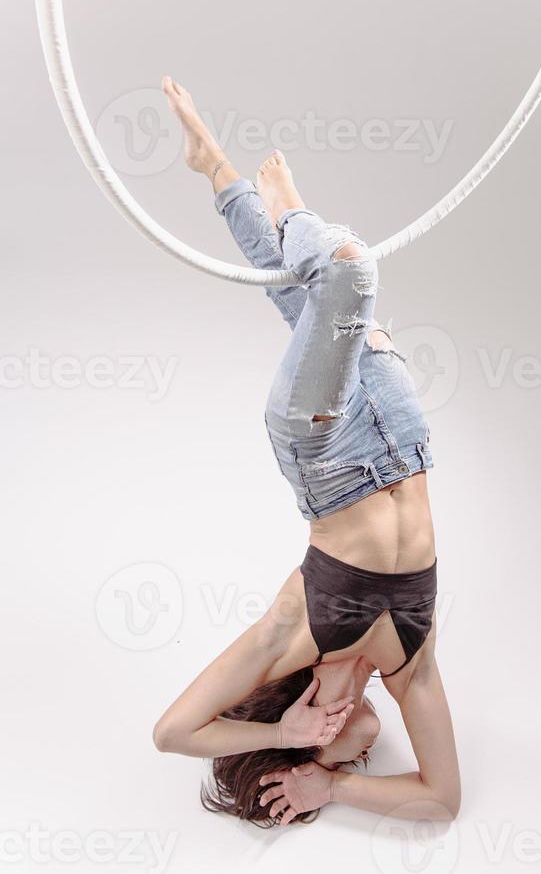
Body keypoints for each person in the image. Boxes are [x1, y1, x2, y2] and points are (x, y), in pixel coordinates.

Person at [152, 78, 461, 828]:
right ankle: (217, 172)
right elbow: (439, 801)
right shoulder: (408, 665)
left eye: (333, 747)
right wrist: (334, 788)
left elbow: (172, 733)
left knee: (346, 272)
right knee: (303, 298)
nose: (355, 740)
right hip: (399, 433)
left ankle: (288, 205)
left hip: (323, 450)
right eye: (354, 753)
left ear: (303, 733)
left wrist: (280, 735)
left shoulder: (289, 640)